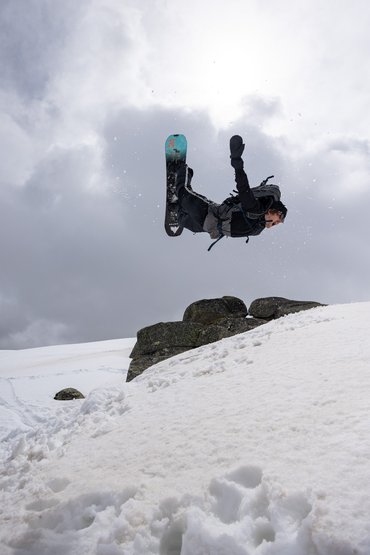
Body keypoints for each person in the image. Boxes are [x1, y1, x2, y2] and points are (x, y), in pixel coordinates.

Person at [174, 135, 287, 250]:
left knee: (182, 221)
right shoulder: (255, 210)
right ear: (271, 210)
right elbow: (244, 189)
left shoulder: (258, 228)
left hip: (210, 227)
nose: (278, 222)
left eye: (280, 222)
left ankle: (175, 208)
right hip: (209, 213)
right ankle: (181, 169)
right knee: (184, 193)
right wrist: (237, 162)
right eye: (280, 217)